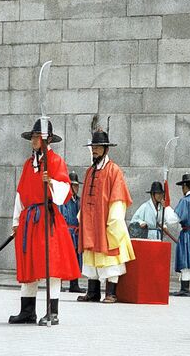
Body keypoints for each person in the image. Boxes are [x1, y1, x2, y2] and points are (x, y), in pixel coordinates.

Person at [8, 119, 81, 326]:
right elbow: (20, 194)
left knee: (51, 266)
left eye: (36, 137)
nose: (33, 140)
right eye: (32, 136)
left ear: (45, 139)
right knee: (29, 265)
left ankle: (53, 311)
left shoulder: (55, 161)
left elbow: (64, 191)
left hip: (47, 219)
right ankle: (27, 310)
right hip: (29, 220)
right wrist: (16, 220)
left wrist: (51, 183)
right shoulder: (27, 164)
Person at [77, 116, 135, 304]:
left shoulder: (114, 170)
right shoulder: (90, 171)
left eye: (98, 147)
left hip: (107, 220)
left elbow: (118, 197)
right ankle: (92, 291)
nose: (94, 150)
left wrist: (115, 221)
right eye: (93, 147)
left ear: (106, 149)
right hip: (91, 221)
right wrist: (82, 218)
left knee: (110, 258)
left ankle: (111, 292)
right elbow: (85, 197)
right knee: (92, 256)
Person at [58, 171, 86, 293]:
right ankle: (58, 284)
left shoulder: (79, 200)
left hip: (76, 232)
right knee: (63, 259)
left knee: (76, 258)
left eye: (76, 185)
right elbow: (60, 216)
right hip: (66, 232)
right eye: (72, 185)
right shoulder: (63, 200)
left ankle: (74, 284)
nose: (75, 188)